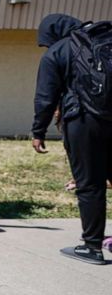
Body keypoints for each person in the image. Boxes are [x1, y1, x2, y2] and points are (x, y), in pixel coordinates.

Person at [32, 14, 111, 265]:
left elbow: (46, 97)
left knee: (90, 184)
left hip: (84, 121)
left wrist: (38, 131)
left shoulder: (58, 51)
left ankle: (92, 247)